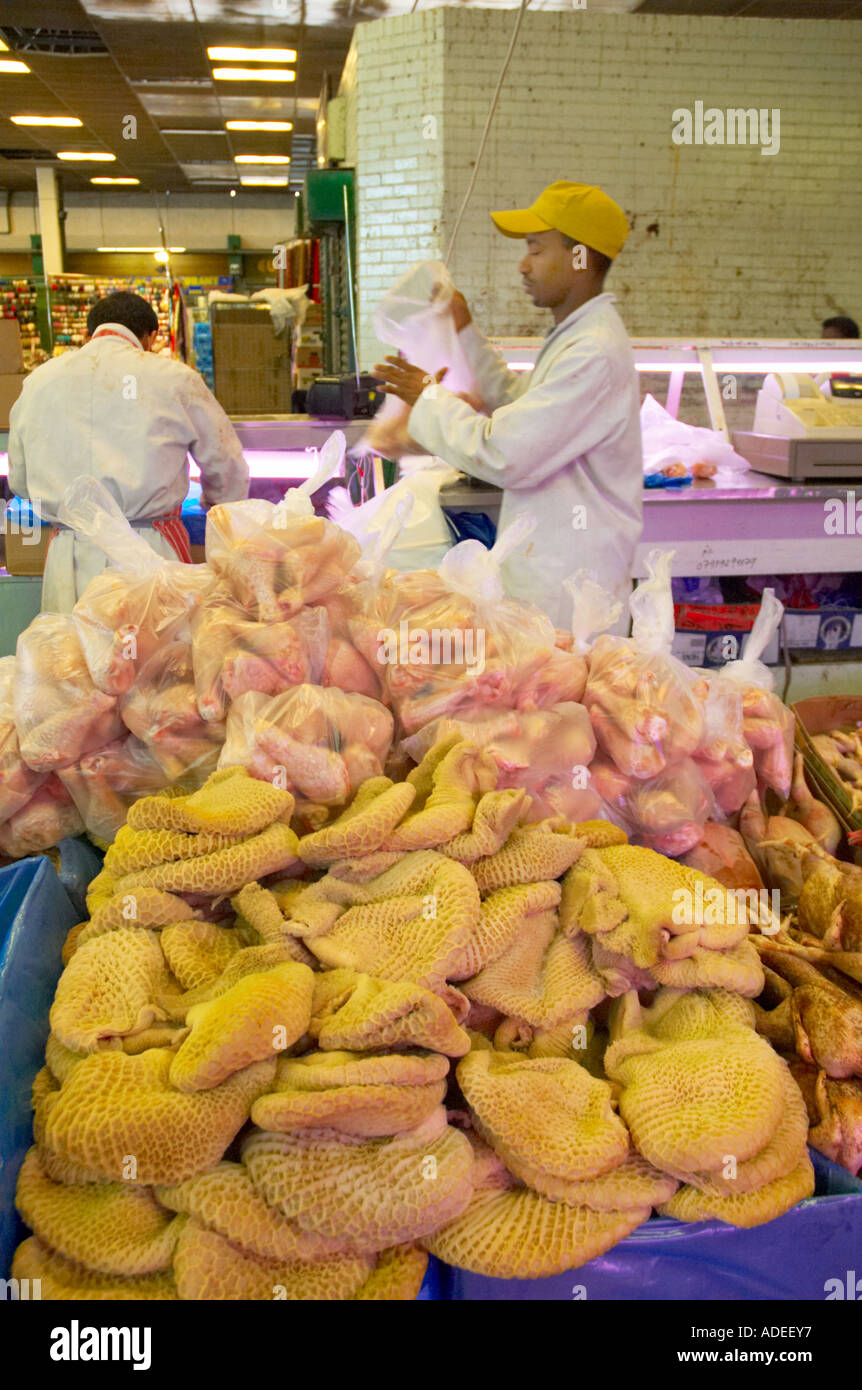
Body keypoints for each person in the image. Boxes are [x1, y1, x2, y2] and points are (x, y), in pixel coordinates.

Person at [373, 180, 642, 628]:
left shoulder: (592, 351)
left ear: (580, 258)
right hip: (556, 580)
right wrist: (464, 330)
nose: (523, 265)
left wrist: (428, 399)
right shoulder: (575, 338)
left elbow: (506, 453)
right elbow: (523, 404)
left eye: (536, 249)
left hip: (570, 593)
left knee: (563, 697)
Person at [9, 290, 249, 612]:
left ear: (88, 333)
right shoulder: (174, 378)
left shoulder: (38, 382)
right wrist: (217, 506)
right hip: (149, 552)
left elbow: (21, 483)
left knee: (71, 658)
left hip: (70, 558)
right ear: (150, 337)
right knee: (158, 658)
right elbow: (226, 464)